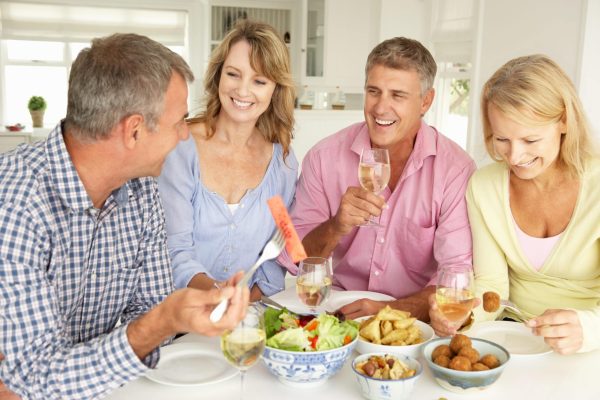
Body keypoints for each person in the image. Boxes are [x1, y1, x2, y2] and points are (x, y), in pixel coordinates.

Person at [0, 33, 249, 400]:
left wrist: (170, 317)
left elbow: (149, 309)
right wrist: (162, 320)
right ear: (133, 130)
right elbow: (31, 378)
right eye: (179, 121)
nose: (185, 135)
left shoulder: (141, 190)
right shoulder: (16, 204)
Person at [278, 37, 476, 321]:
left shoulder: (454, 170)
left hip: (414, 321)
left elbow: (456, 281)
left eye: (397, 95)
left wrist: (387, 312)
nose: (381, 108)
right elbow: (296, 258)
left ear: (426, 101)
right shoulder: (323, 158)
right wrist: (337, 226)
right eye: (374, 91)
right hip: (336, 312)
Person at [437, 54, 599, 353]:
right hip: (515, 339)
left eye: (530, 140)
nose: (514, 157)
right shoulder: (484, 186)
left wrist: (589, 330)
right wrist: (465, 318)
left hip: (588, 348)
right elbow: (492, 286)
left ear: (564, 121)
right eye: (502, 139)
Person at [158, 20, 297, 301]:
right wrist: (218, 295)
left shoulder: (283, 160)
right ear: (218, 75)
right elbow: (173, 250)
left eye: (259, 81)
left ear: (275, 89)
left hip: (247, 317)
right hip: (178, 320)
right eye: (234, 74)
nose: (243, 91)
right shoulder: (181, 147)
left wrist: (246, 308)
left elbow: (283, 244)